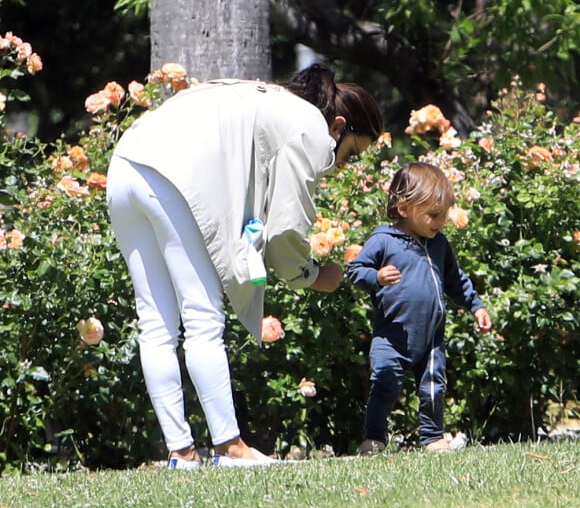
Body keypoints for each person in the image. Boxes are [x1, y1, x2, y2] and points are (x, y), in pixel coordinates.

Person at [107, 64, 383, 468]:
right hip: (171, 175)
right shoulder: (311, 127)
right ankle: (230, 449)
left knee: (156, 324)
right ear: (338, 125)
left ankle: (182, 454)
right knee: (202, 318)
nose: (342, 164)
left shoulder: (270, 98)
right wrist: (311, 276)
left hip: (125, 165)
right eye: (351, 153)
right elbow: (285, 232)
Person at [346, 162, 491, 454]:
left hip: (431, 336)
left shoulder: (438, 244)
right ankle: (374, 438)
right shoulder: (384, 240)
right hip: (393, 334)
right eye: (434, 215)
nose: (441, 222)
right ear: (403, 208)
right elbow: (354, 270)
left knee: (434, 387)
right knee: (385, 382)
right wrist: (377, 277)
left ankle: (433, 437)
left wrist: (475, 305)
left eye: (445, 214)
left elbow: (455, 280)